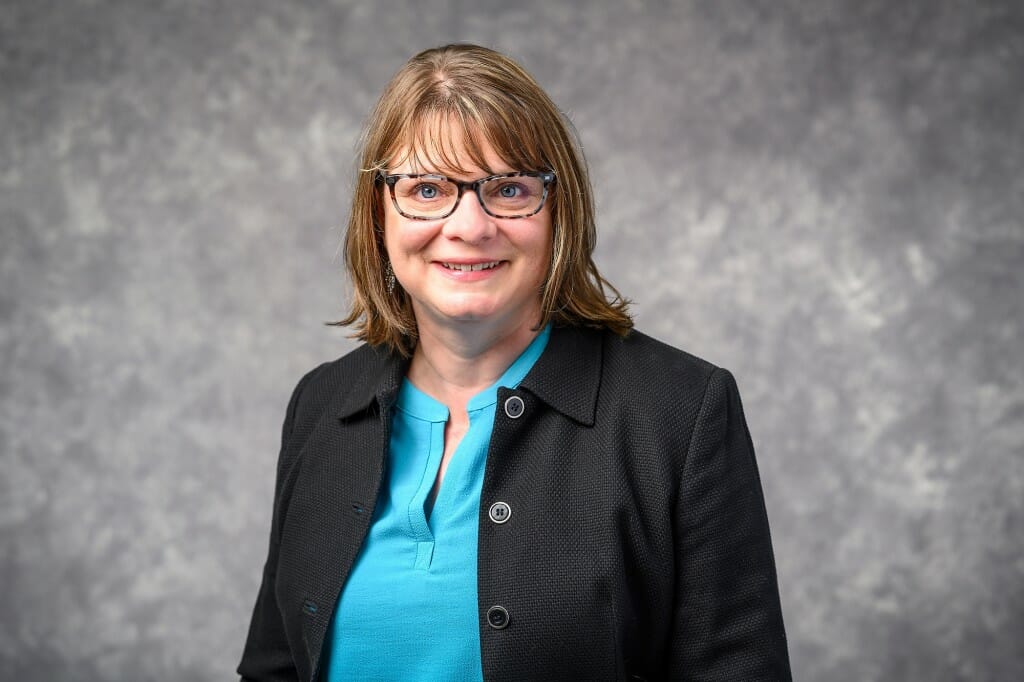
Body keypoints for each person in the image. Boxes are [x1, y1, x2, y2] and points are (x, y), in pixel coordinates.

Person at [238, 43, 791, 681]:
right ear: (378, 217)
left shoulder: (680, 411)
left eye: (507, 189)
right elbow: (273, 669)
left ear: (560, 212)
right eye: (426, 188)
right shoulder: (322, 405)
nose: (469, 226)